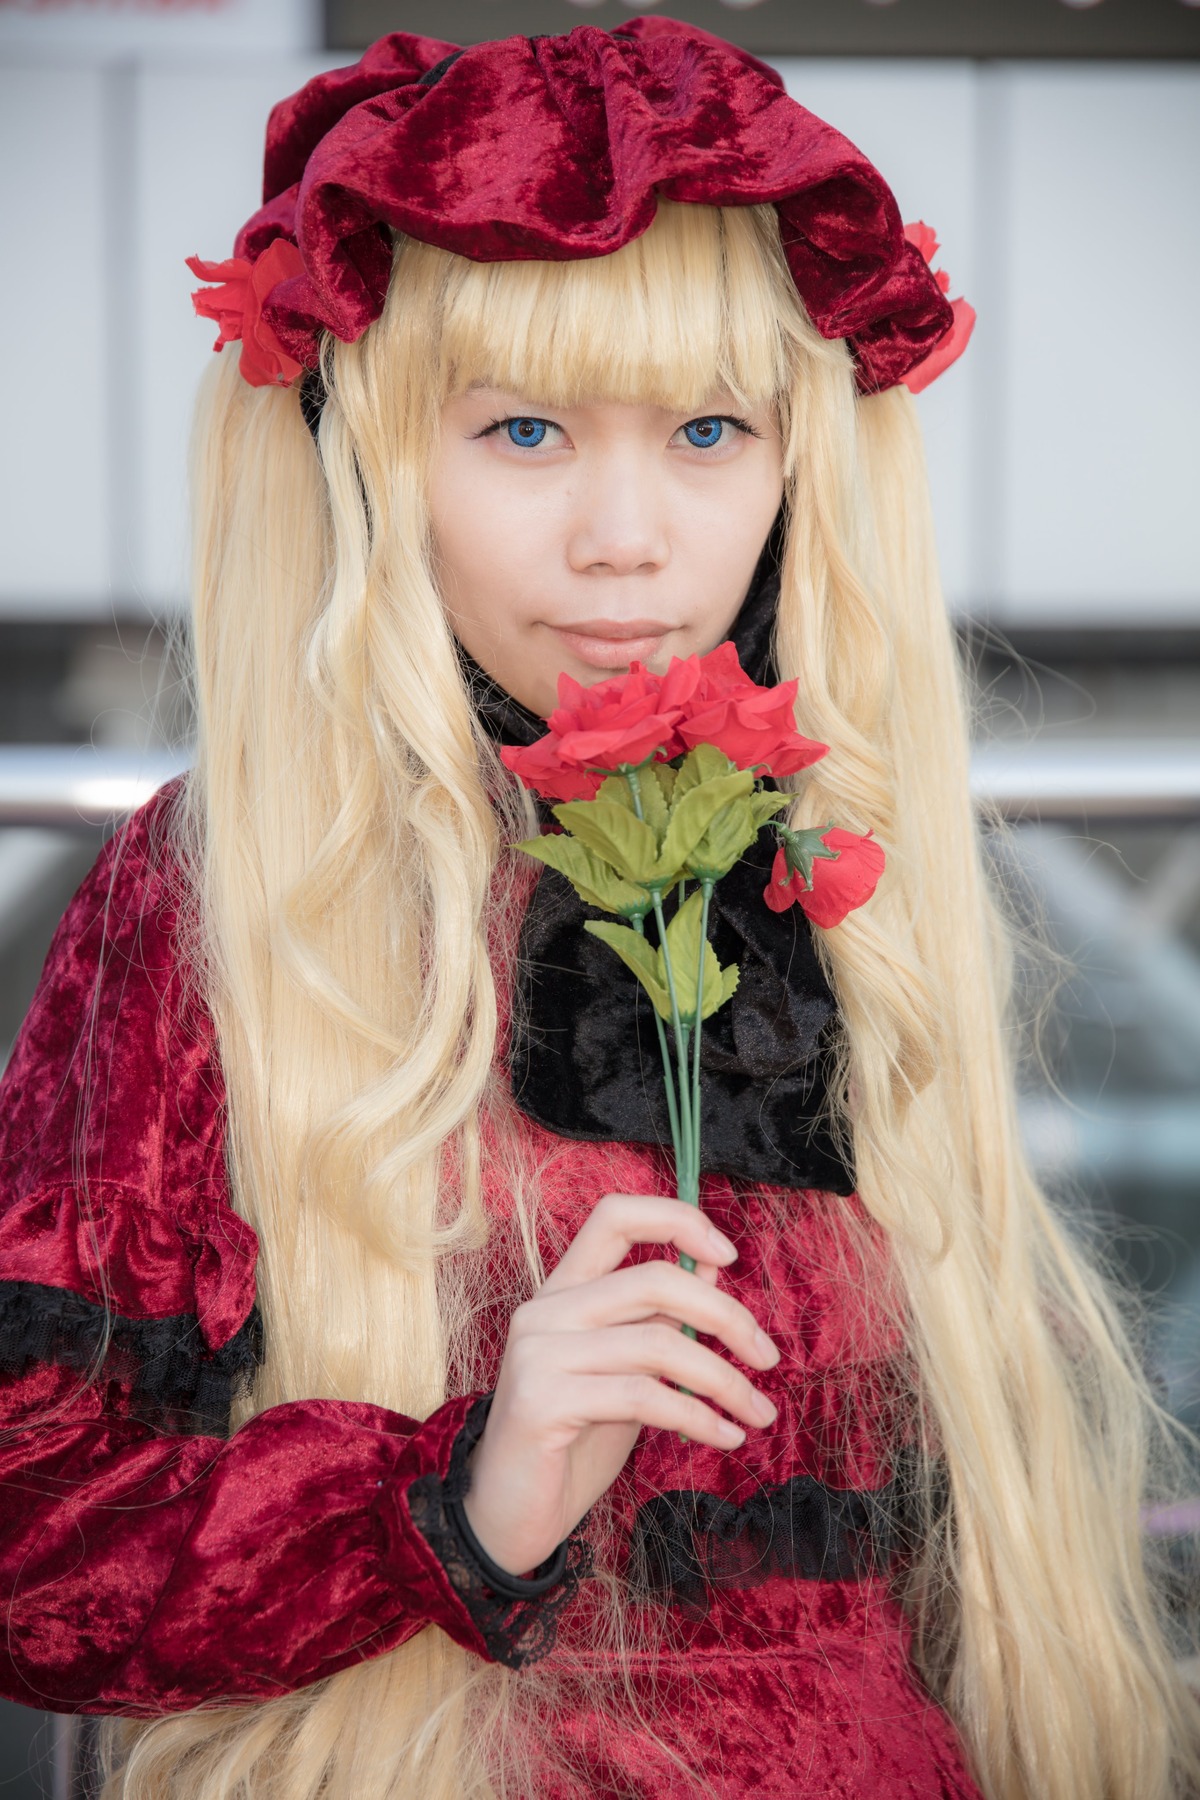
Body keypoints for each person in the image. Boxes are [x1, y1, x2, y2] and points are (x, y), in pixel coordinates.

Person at [0, 18, 1195, 1800]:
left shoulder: (848, 865)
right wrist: (459, 1494)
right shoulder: (231, 888)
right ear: (374, 452)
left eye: (711, 428)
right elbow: (37, 1532)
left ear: (803, 462)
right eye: (528, 430)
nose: (625, 538)